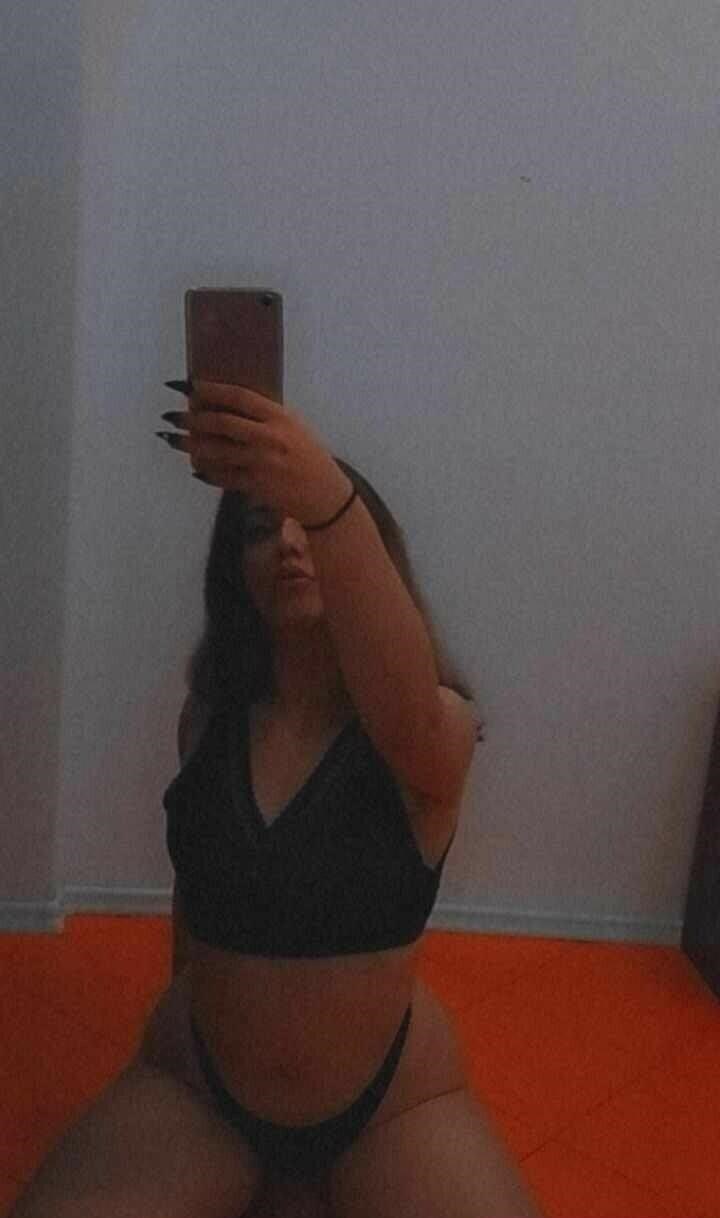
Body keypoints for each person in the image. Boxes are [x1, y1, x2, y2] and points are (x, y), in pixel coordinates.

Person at [11, 379, 544, 1217]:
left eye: (313, 527)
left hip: (391, 1107)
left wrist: (324, 492)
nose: (291, 543)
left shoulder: (432, 732)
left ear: (369, 559)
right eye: (262, 529)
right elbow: (198, 889)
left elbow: (403, 706)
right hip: (201, 1087)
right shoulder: (207, 719)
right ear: (237, 572)